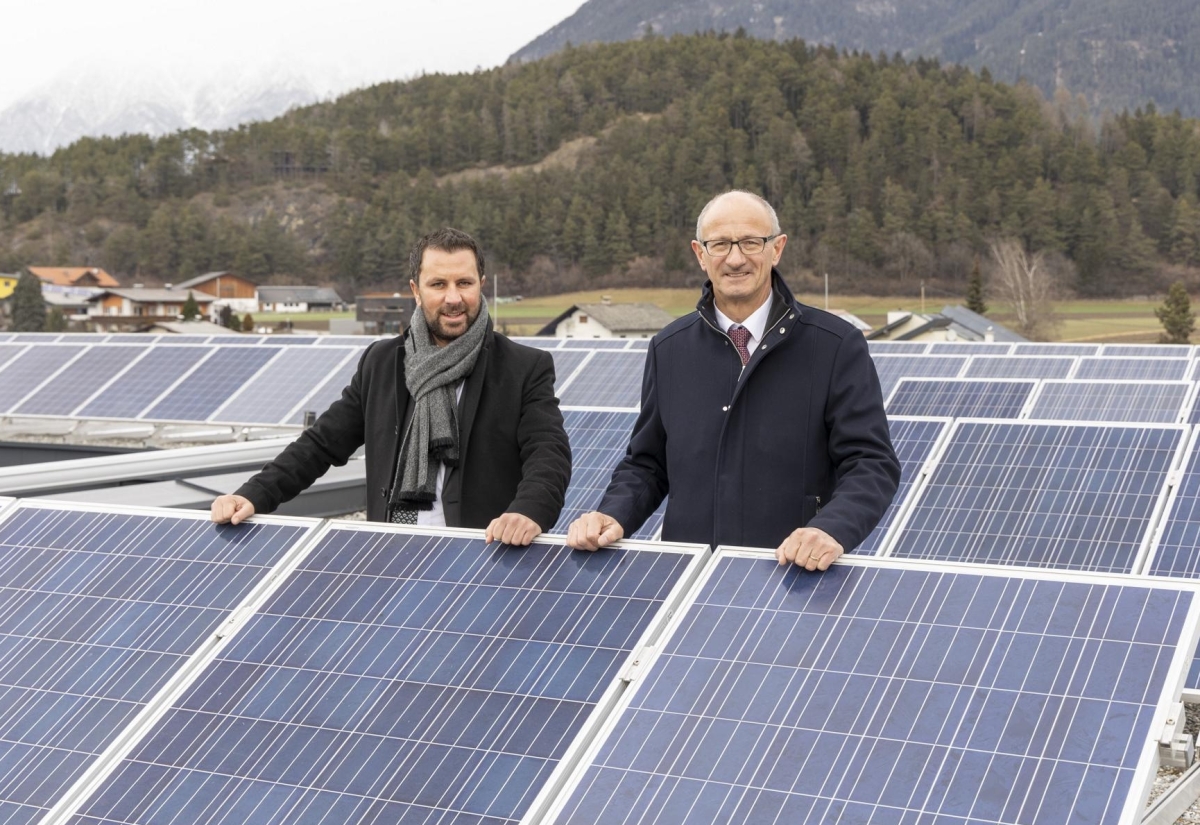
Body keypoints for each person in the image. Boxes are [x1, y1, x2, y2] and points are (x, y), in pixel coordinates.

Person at [567, 190, 899, 569]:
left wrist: (832, 529)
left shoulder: (835, 345)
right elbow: (648, 463)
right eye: (720, 244)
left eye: (750, 243)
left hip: (794, 575)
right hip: (690, 577)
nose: (736, 258)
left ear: (777, 249)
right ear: (699, 254)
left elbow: (871, 462)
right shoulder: (669, 348)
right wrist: (614, 514)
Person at [211, 227, 572, 546]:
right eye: (438, 284)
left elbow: (549, 454)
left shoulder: (524, 368)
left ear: (481, 283)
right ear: (416, 291)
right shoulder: (382, 363)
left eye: (464, 283)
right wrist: (254, 494)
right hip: (392, 553)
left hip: (481, 558)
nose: (453, 298)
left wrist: (528, 512)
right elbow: (320, 445)